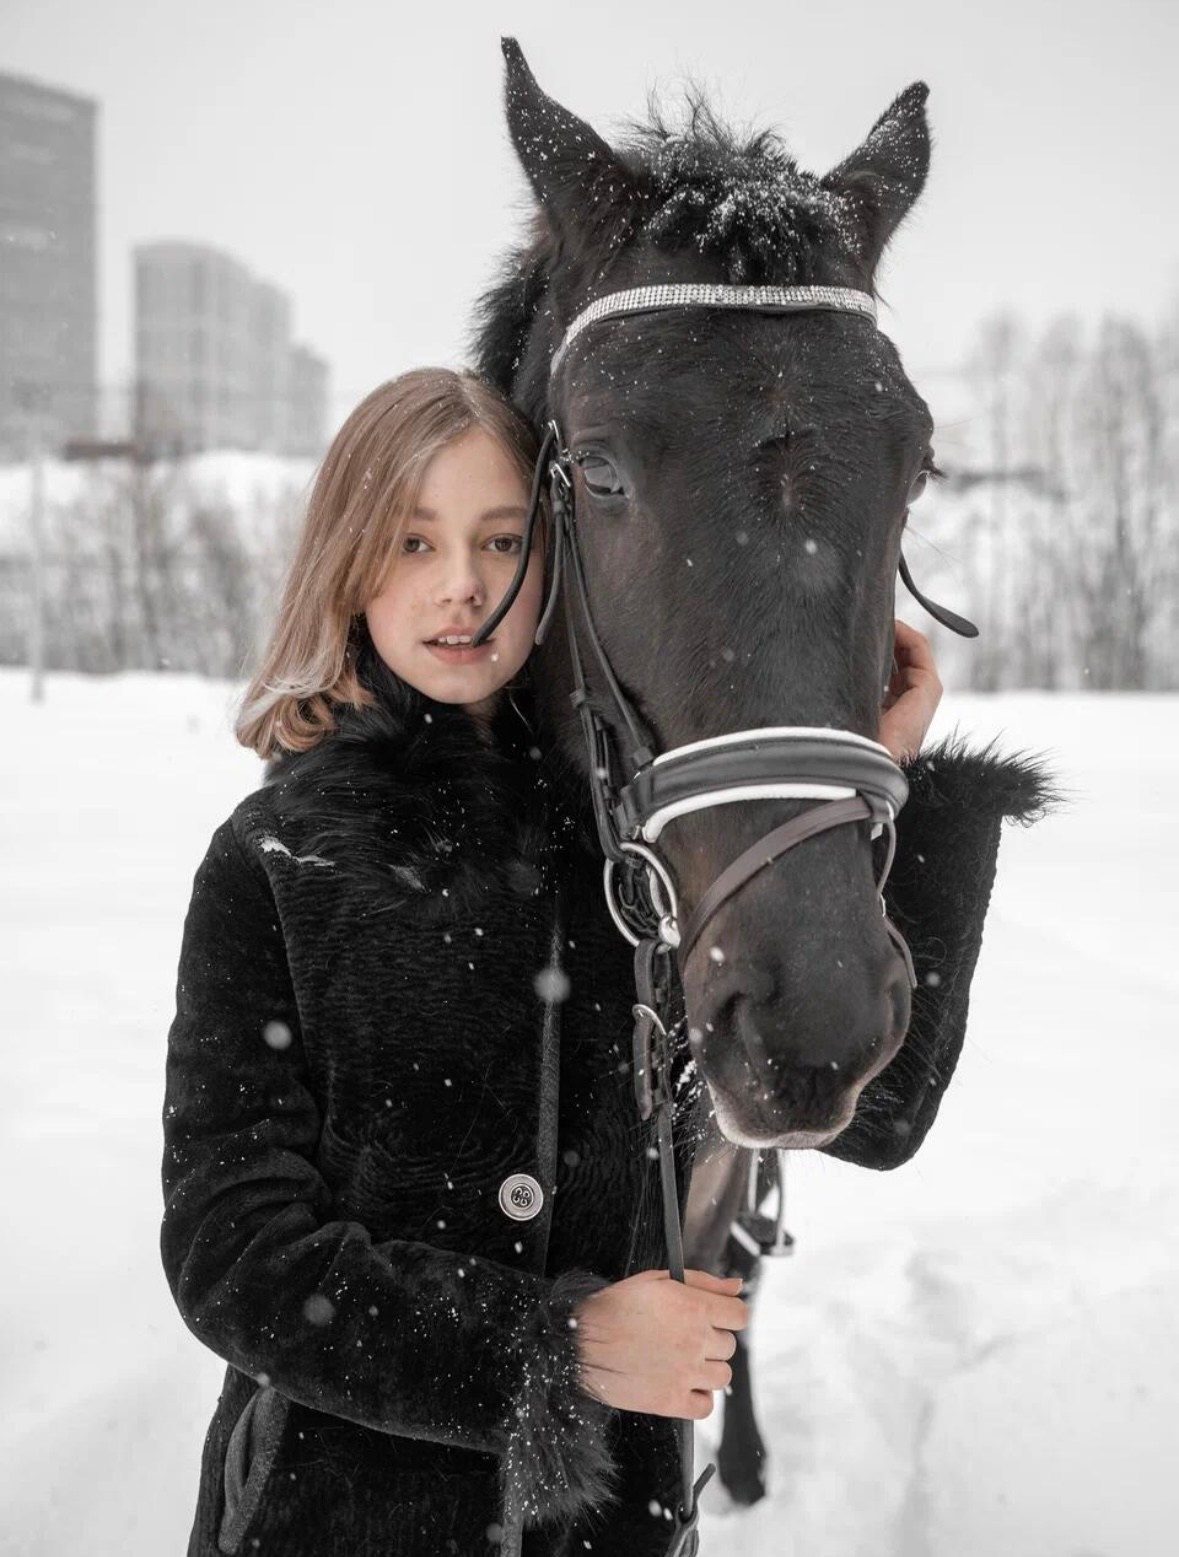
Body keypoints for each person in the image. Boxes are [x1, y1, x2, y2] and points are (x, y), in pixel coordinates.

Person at [160, 368, 942, 1557]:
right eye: (412, 541)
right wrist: (551, 1351)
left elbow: (865, 1110)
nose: (462, 584)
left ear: (559, 560)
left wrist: (870, 787)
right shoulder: (276, 859)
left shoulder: (636, 853)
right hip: (330, 1523)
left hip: (612, 1530)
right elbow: (233, 1251)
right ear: (347, 561)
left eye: (502, 538)